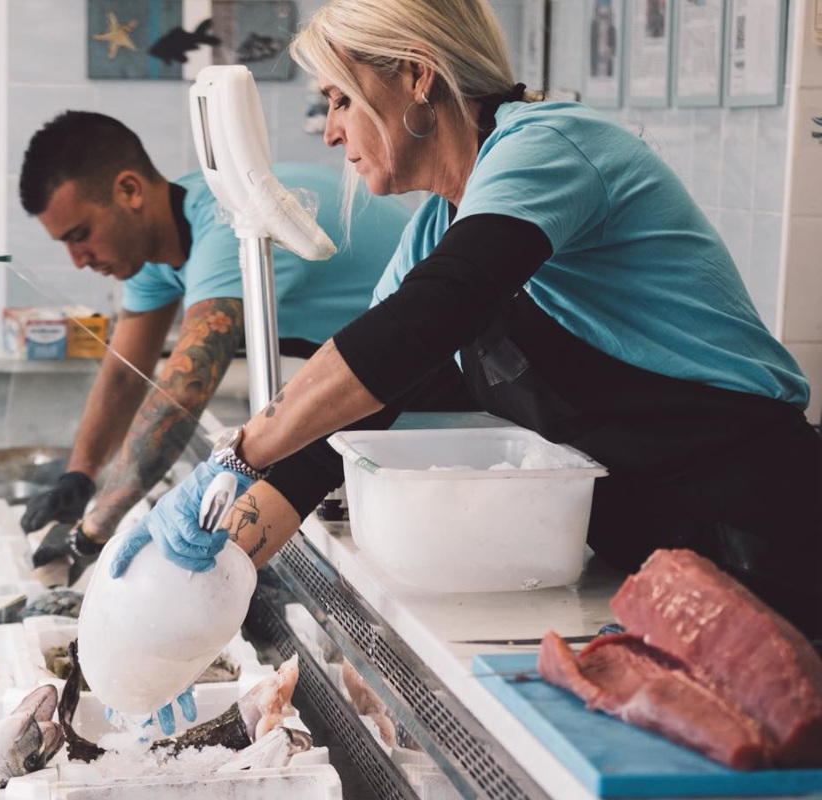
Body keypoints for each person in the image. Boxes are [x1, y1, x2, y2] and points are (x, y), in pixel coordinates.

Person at [111, 0, 822, 659]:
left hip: (765, 535)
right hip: (660, 558)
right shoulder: (435, 232)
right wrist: (197, 571)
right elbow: (336, 430)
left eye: (339, 100)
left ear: (418, 77)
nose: (329, 131)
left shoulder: (548, 147)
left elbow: (428, 316)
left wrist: (235, 455)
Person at [17, 111, 411, 587]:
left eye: (80, 236)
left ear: (129, 191)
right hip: (377, 376)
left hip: (450, 368)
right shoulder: (154, 247)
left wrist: (92, 532)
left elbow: (184, 388)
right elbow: (123, 375)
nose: (77, 260)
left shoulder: (230, 223)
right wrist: (77, 478)